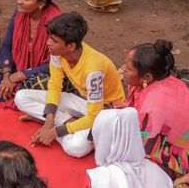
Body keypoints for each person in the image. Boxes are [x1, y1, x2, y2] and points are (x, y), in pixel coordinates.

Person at [15, 12, 125, 157]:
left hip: (104, 112)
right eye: (49, 38)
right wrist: (49, 121)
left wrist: (54, 132)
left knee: (76, 149)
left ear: (71, 46)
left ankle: (64, 124)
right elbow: (55, 85)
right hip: (81, 101)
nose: (48, 43)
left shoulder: (94, 70)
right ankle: (65, 121)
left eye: (54, 40)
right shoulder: (57, 52)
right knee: (21, 97)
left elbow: (94, 115)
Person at [122, 39, 189, 177]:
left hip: (188, 161)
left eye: (128, 68)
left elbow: (142, 146)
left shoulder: (154, 107)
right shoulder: (170, 81)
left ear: (147, 77)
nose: (123, 69)